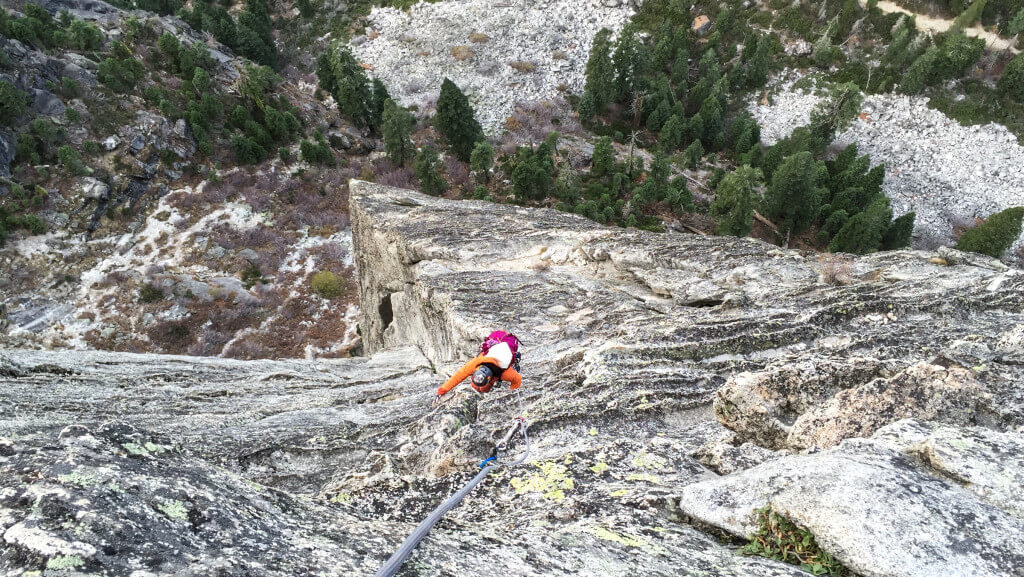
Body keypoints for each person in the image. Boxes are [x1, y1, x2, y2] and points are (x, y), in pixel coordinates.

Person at [434, 331, 522, 404]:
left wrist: (511, 395)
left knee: (483, 389)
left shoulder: (505, 373)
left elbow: (517, 379)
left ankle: (516, 358)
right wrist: (441, 391)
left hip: (506, 346)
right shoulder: (476, 363)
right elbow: (458, 376)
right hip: (497, 341)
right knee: (476, 386)